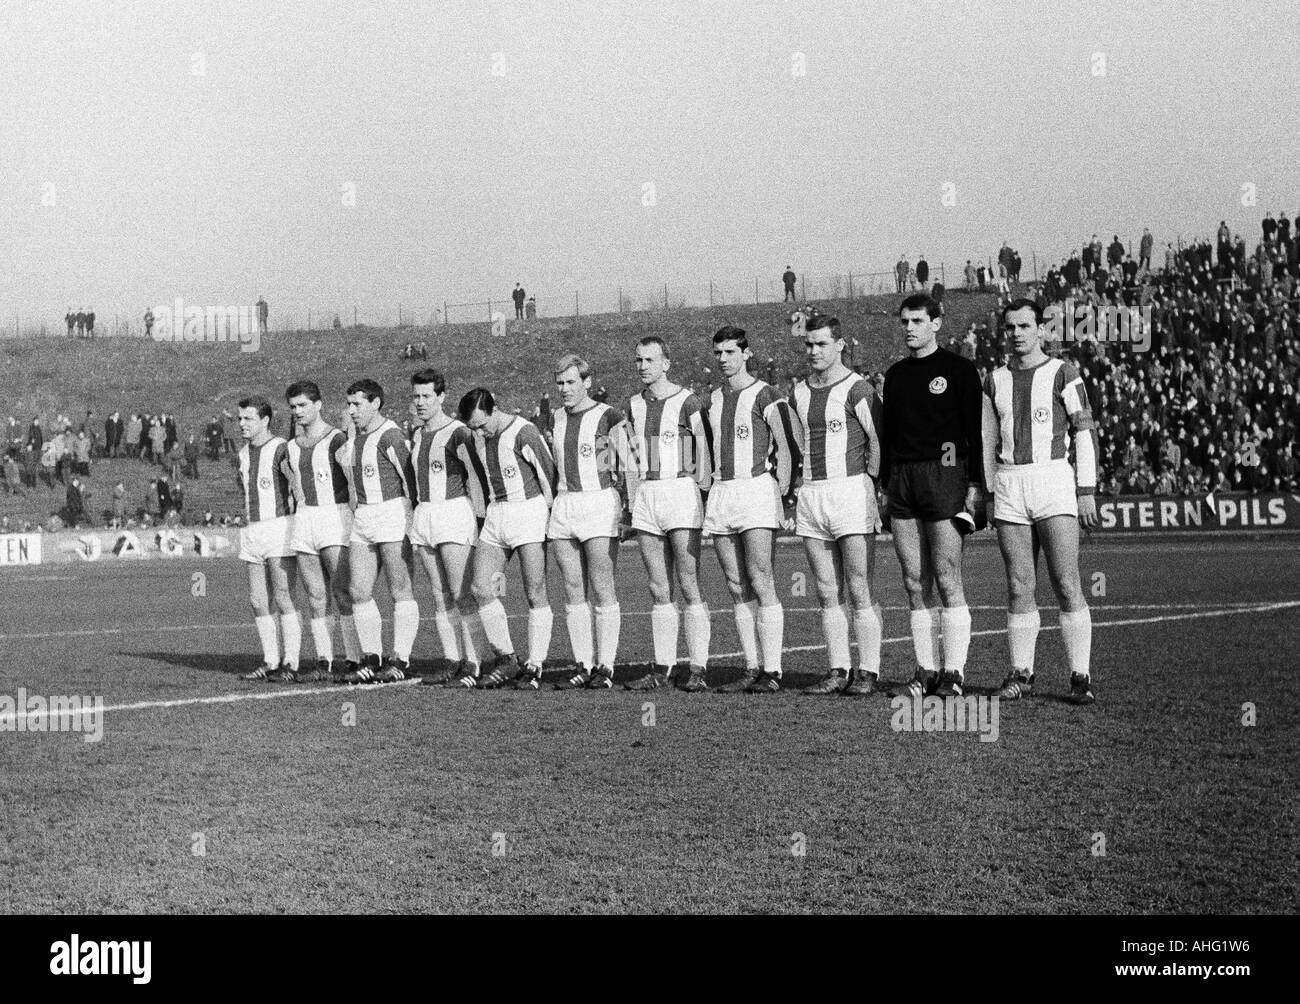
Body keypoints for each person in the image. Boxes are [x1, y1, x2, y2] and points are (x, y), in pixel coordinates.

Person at [983, 300, 1100, 705]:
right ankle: (1021, 673)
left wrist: (1086, 490)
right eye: (1011, 326)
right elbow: (986, 441)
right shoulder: (993, 380)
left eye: (1026, 325)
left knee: (1066, 582)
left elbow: (1083, 431)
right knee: (1018, 584)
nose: (1018, 333)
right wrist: (988, 490)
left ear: (1041, 330)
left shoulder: (1063, 373)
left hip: (1053, 479)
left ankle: (1080, 675)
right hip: (1011, 483)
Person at [880, 293, 985, 701]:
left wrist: (974, 484)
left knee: (946, 576)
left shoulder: (958, 370)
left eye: (918, 321)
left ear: (937, 323)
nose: (909, 328)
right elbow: (890, 437)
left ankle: (953, 672)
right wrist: (886, 486)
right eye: (904, 321)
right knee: (912, 580)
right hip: (903, 479)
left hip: (944, 474)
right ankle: (925, 670)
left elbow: (973, 433)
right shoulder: (895, 374)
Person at [703, 327, 801, 693]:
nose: (723, 358)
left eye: (730, 351)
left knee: (761, 578)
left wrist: (787, 491)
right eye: (718, 353)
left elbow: (789, 445)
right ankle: (751, 665)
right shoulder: (712, 399)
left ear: (746, 353)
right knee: (735, 584)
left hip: (756, 489)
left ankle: (773, 671)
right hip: (722, 491)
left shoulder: (767, 394)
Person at [791, 313, 885, 695]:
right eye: (809, 344)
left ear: (840, 345)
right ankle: (837, 669)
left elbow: (878, 441)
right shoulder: (798, 391)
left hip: (851, 491)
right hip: (813, 493)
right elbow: (799, 441)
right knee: (826, 589)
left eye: (822, 344)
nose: (814, 351)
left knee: (859, 586)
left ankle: (869, 671)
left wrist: (873, 487)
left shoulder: (858, 389)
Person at [621, 337, 713, 691]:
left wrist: (703, 494)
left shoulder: (687, 400)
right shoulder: (632, 405)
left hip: (680, 490)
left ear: (666, 363)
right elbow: (626, 456)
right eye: (638, 360)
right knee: (658, 586)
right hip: (647, 493)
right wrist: (630, 505)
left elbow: (703, 451)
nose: (643, 366)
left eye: (649, 360)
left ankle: (699, 669)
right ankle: (662, 669)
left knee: (689, 583)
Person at [459, 387, 558, 689]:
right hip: (497, 513)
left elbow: (548, 474)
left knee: (534, 591)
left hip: (528, 511)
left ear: (494, 410)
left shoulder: (524, 432)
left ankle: (535, 667)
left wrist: (552, 517)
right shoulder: (479, 438)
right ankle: (507, 658)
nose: (478, 431)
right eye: (473, 427)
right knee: (481, 587)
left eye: (481, 424)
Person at [546, 354, 629, 690]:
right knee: (572, 587)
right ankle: (583, 663)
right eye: (560, 383)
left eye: (571, 382)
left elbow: (629, 461)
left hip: (599, 501)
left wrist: (628, 506)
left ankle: (605, 667)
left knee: (602, 585)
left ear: (587, 382)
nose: (565, 389)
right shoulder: (555, 418)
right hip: (566, 504)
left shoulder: (608, 416)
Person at [406, 369, 492, 688]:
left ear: (441, 397)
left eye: (428, 396)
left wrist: (483, 521)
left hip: (454, 512)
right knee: (439, 594)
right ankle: (452, 660)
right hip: (425, 515)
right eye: (416, 396)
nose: (421, 402)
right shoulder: (416, 434)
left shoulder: (458, 432)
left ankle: (474, 661)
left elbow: (477, 476)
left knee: (461, 592)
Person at [338, 379, 419, 683]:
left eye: (357, 404)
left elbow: (410, 479)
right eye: (349, 404)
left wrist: (413, 518)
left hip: (393, 513)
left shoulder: (392, 437)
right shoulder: (355, 437)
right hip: (364, 518)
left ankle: (401, 659)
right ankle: (372, 657)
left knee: (400, 589)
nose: (351, 410)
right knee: (358, 590)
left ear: (375, 403)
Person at [281, 381, 360, 681]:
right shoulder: (290, 446)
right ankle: (324, 660)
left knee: (342, 591)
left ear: (318, 405)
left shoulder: (337, 439)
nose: (297, 412)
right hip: (305, 520)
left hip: (334, 517)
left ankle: (354, 657)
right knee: (315, 595)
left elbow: (352, 482)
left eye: (302, 405)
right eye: (293, 407)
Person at [234, 397, 301, 682]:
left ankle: (292, 662)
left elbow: (296, 484)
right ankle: (271, 661)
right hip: (253, 529)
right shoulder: (242, 454)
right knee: (258, 600)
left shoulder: (281, 448)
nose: (241, 424)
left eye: (248, 419)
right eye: (240, 419)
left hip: (279, 526)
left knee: (283, 595)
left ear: (264, 420)